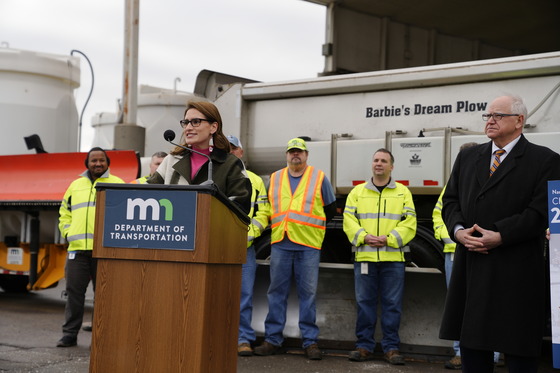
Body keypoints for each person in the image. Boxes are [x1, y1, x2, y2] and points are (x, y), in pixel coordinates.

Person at [440, 95, 560, 373]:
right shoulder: (469, 156)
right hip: (473, 265)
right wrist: (458, 231)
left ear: (519, 121)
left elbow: (539, 213)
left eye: (498, 115)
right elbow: (450, 201)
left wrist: (500, 235)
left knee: (517, 347)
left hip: (516, 270)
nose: (490, 120)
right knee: (473, 348)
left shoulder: (546, 160)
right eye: (487, 115)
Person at [253, 137, 336, 360]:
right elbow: (268, 208)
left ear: (306, 155)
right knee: (276, 293)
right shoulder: (275, 178)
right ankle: (272, 339)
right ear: (287, 155)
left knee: (307, 295)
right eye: (291, 152)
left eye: (299, 151)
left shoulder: (319, 178)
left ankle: (310, 342)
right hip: (281, 242)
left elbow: (330, 210)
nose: (295, 155)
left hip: (308, 245)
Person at [432, 142, 506, 370]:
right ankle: (459, 352)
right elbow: (440, 215)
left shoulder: (493, 181)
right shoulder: (452, 187)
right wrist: (459, 238)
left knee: (491, 304)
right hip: (456, 253)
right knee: (460, 307)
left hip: (485, 251)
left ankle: (493, 353)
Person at [342, 148, 416, 365]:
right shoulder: (358, 192)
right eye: (376, 160)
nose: (379, 164)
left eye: (384, 161)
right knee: (364, 303)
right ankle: (364, 346)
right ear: (371, 164)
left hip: (393, 258)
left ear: (391, 166)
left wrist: (389, 239)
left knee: (392, 304)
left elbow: (410, 223)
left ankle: (391, 348)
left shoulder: (403, 192)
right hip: (365, 257)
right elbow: (348, 220)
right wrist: (363, 237)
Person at [57, 147, 125, 347]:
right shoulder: (75, 185)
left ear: (108, 163)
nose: (98, 164)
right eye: (94, 160)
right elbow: (64, 212)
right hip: (77, 250)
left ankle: (102, 336)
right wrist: (68, 232)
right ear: (87, 163)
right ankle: (69, 334)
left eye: (101, 160)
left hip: (105, 251)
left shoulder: (118, 184)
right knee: (74, 294)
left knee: (104, 295)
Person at [147, 101, 251, 213]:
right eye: (186, 123)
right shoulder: (171, 160)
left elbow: (240, 205)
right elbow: (145, 195)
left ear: (213, 127)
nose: (188, 128)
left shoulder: (231, 163)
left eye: (196, 122)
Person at [226, 135, 271, 357]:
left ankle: (243, 339)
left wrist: (249, 234)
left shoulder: (255, 180)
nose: (230, 152)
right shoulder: (212, 176)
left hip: (245, 247)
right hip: (217, 247)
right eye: (226, 149)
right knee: (213, 294)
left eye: (234, 149)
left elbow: (263, 212)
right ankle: (215, 337)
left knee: (244, 296)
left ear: (241, 152)